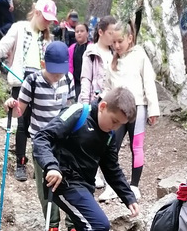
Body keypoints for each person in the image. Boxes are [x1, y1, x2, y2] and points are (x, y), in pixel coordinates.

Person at [33, 88, 138, 231]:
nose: (115, 128)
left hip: (84, 187)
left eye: (120, 125)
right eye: (114, 121)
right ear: (103, 107)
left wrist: (128, 197)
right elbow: (42, 137)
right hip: (62, 182)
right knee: (99, 226)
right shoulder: (78, 113)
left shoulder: (109, 135)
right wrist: (51, 166)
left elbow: (111, 167)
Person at [4, 41, 77, 231]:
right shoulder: (32, 81)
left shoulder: (68, 79)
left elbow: (71, 109)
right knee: (45, 187)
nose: (57, 76)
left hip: (64, 141)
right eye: (53, 71)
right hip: (40, 142)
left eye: (60, 71)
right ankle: (51, 227)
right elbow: (19, 111)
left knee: (69, 183)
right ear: (44, 64)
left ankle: (73, 229)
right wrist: (11, 105)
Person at [0, 0, 58, 181]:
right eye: (46, 18)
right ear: (36, 12)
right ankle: (21, 163)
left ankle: (42, 163)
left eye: (50, 20)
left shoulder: (48, 38)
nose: (48, 23)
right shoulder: (19, 28)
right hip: (20, 81)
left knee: (41, 125)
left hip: (40, 82)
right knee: (22, 125)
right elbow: (1, 48)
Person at [99, 19, 160, 202]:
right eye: (114, 42)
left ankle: (134, 186)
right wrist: (102, 104)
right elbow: (107, 86)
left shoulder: (140, 56)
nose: (117, 46)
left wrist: (153, 109)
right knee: (111, 147)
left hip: (138, 108)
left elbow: (148, 82)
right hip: (116, 111)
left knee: (137, 146)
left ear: (130, 38)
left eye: (120, 41)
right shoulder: (112, 61)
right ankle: (111, 186)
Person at [79, 16, 118, 191]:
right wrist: (85, 102)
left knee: (107, 139)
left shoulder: (116, 53)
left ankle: (106, 174)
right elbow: (86, 78)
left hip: (112, 102)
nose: (113, 36)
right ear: (101, 32)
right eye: (110, 32)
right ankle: (92, 173)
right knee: (92, 137)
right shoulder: (91, 52)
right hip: (95, 101)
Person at [68, 23, 90, 102]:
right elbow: (69, 66)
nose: (79, 33)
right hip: (75, 83)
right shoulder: (71, 48)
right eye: (77, 32)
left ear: (87, 33)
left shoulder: (92, 48)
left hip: (88, 84)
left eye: (82, 31)